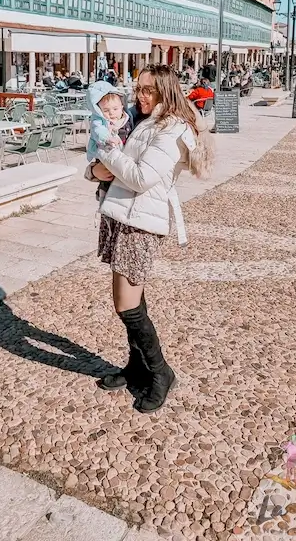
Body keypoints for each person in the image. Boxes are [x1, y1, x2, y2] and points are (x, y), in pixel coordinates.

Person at [88, 64, 213, 413]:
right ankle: (136, 366)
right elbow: (106, 168)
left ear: (165, 92)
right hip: (121, 214)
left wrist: (107, 156)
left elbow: (141, 177)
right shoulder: (143, 122)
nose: (139, 95)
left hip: (141, 223)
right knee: (131, 300)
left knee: (125, 304)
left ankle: (161, 372)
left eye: (148, 90)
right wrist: (96, 167)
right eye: (138, 88)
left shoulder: (172, 130)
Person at [87, 81, 134, 205]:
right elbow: (98, 131)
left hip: (122, 159)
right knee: (106, 181)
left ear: (122, 107)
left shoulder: (127, 118)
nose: (111, 113)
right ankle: (102, 196)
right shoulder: (100, 121)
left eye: (115, 109)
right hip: (105, 155)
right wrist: (108, 137)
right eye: (106, 110)